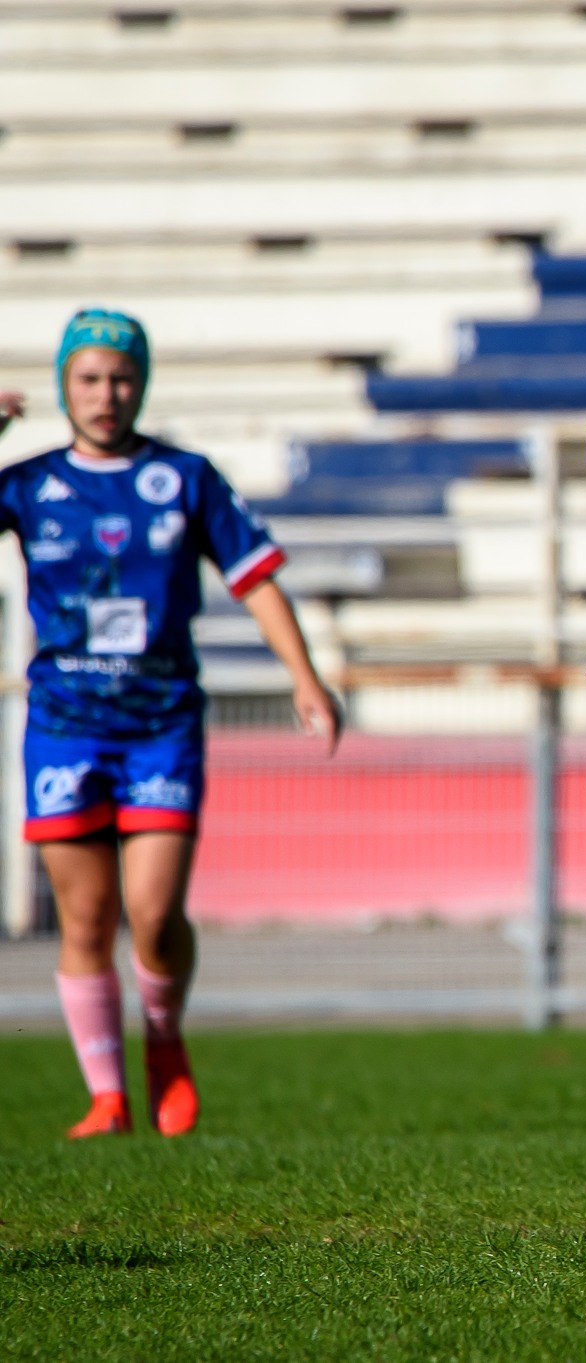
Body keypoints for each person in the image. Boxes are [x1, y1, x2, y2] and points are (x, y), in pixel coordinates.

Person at [0, 311, 339, 1139]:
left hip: (161, 724)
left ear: (141, 383)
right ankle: (107, 1098)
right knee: (85, 917)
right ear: (64, 387)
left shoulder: (183, 476)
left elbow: (255, 578)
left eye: (121, 377)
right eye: (89, 378)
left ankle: (163, 1037)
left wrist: (305, 676)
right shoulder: (28, 482)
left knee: (152, 914)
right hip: (65, 725)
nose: (106, 394)